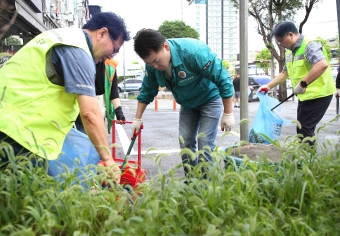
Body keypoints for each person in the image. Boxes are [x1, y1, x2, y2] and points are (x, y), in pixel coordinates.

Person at [0, 12, 131, 183]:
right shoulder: (77, 50)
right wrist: (107, 159)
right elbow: (90, 113)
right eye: (114, 49)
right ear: (102, 33)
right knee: (29, 200)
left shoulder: (61, 37)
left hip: (13, 126)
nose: (110, 56)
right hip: (16, 134)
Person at [132, 29, 235, 178]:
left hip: (209, 99)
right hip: (187, 103)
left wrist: (228, 113)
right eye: (150, 63)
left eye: (156, 61)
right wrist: (137, 118)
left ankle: (206, 185)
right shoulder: (152, 66)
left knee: (204, 142)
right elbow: (147, 90)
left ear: (166, 47)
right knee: (185, 141)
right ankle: (192, 181)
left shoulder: (194, 52)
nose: (155, 66)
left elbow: (223, 78)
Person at [258, 21, 336, 146]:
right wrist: (268, 86)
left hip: (320, 95)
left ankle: (307, 162)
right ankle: (305, 160)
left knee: (305, 129)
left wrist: (303, 84)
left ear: (290, 35)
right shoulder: (291, 53)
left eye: (281, 41)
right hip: (305, 96)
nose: (281, 45)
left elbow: (322, 64)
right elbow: (284, 73)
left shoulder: (309, 45)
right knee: (302, 130)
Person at [74, 58, 125, 134]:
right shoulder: (80, 59)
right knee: (81, 138)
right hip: (79, 107)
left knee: (97, 139)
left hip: (99, 107)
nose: (113, 53)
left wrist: (119, 112)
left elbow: (113, 92)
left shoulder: (109, 66)